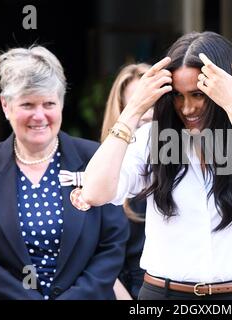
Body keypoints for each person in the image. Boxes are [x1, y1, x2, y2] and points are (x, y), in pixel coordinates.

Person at [82, 31, 232, 300]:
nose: (187, 108)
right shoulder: (152, 140)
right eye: (178, 96)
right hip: (165, 295)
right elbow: (93, 192)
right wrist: (133, 109)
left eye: (198, 95)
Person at [0, 46, 129, 300]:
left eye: (48, 103)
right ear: (5, 105)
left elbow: (112, 244)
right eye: (27, 104)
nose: (39, 115)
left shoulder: (94, 158)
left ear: (62, 103)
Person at [101, 63, 151, 300]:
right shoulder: (106, 174)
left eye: (154, 102)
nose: (148, 113)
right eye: (139, 106)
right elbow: (96, 259)